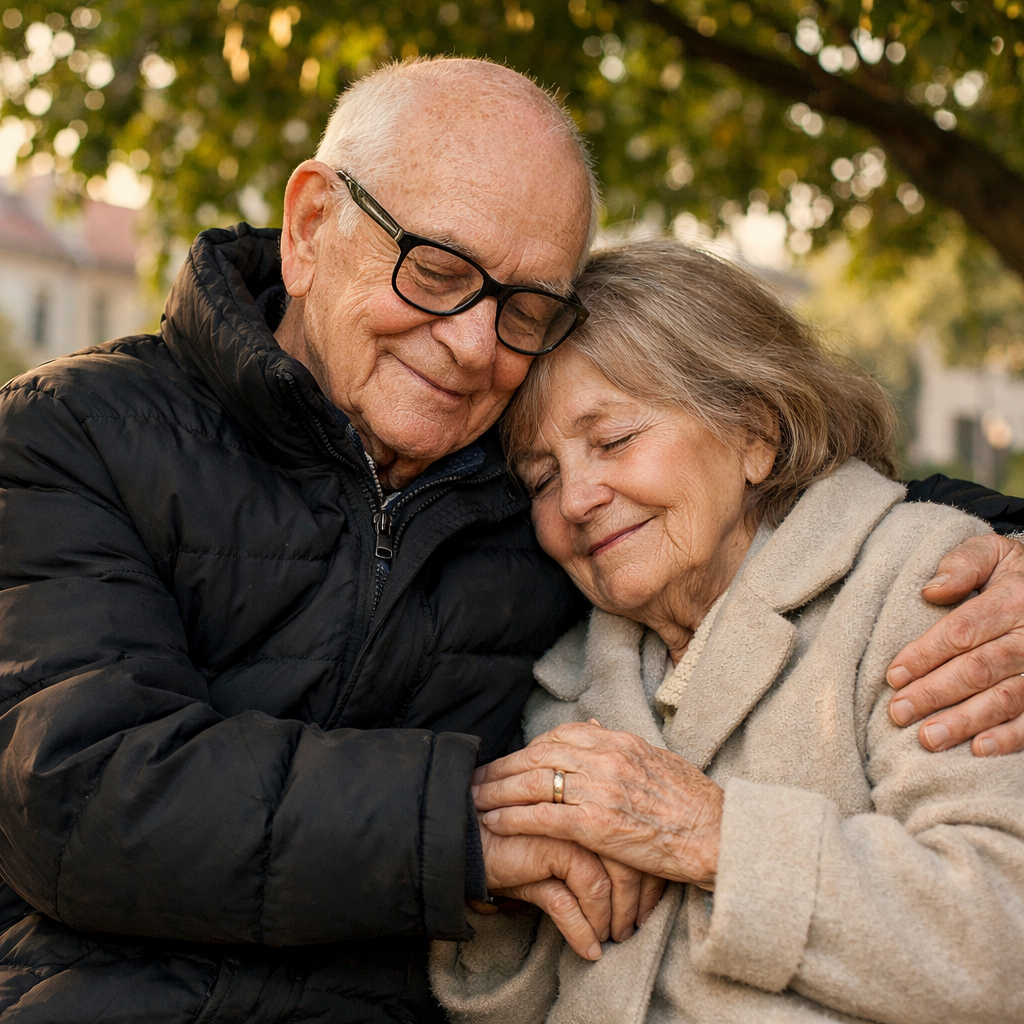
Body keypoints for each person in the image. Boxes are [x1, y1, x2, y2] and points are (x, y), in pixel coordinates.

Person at [0, 56, 1019, 1024]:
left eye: (525, 306)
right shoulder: (71, 434)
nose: (476, 345)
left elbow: (786, 497)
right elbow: (80, 784)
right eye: (437, 271)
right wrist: (463, 833)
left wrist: (1011, 546)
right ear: (310, 226)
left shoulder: (535, 489)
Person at [432, 239, 1024, 1024]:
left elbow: (998, 943)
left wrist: (710, 835)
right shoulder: (563, 683)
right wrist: (500, 901)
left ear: (755, 434)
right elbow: (512, 1004)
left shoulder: (927, 584)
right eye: (541, 477)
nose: (576, 497)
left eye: (612, 441)